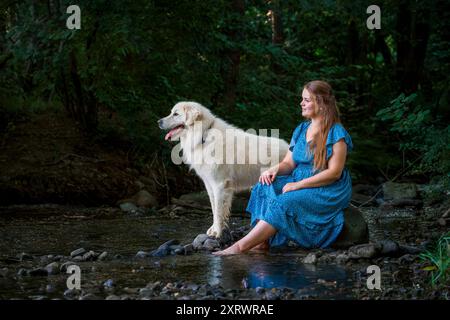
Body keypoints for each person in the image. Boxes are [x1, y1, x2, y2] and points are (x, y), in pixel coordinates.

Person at [213, 80, 353, 256]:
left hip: (327, 187)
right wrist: (273, 170)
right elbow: (289, 163)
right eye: (302, 99)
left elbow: (334, 173)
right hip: (299, 178)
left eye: (307, 100)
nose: (301, 103)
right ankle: (263, 242)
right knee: (263, 185)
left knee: (284, 201)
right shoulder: (301, 129)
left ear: (321, 102)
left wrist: (298, 185)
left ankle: (240, 246)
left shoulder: (336, 132)